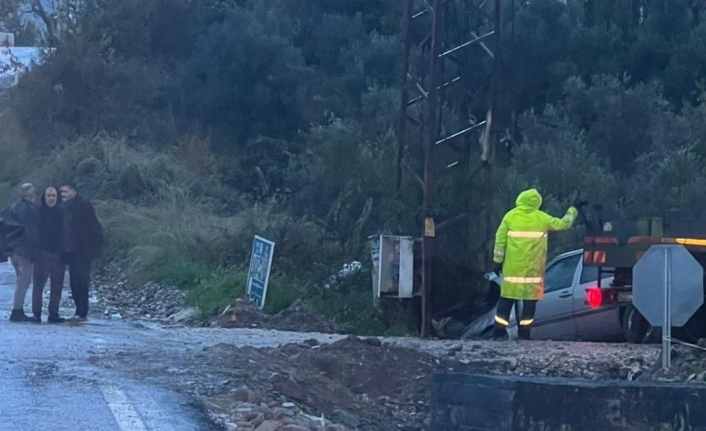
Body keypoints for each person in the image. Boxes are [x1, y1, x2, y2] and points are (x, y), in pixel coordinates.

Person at [491, 188, 578, 340]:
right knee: (530, 303)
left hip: (513, 269)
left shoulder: (510, 217)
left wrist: (497, 261)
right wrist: (573, 209)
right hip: (533, 270)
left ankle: (499, 333)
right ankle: (525, 334)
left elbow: (500, 239)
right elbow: (564, 224)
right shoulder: (541, 218)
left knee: (506, 300)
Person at [59, 183, 104, 323]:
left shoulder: (83, 206)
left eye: (65, 192)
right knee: (74, 282)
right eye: (61, 192)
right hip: (70, 250)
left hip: (83, 251)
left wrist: (92, 249)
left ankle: (82, 312)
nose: (63, 195)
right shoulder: (63, 207)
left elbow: (94, 229)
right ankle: (79, 311)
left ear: (73, 191)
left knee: (81, 281)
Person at [1, 183, 41, 322]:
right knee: (24, 281)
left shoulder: (11, 209)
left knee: (21, 279)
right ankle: (17, 310)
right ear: (32, 196)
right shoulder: (30, 210)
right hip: (25, 250)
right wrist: (35, 252)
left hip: (13, 250)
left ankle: (18, 309)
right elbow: (32, 232)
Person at [32, 187, 67, 323]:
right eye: (49, 195)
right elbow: (34, 233)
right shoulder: (38, 212)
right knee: (38, 285)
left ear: (57, 197)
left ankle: (54, 313)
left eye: (53, 195)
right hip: (42, 253)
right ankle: (36, 313)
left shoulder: (62, 212)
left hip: (59, 254)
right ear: (44, 197)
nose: (51, 198)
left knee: (57, 285)